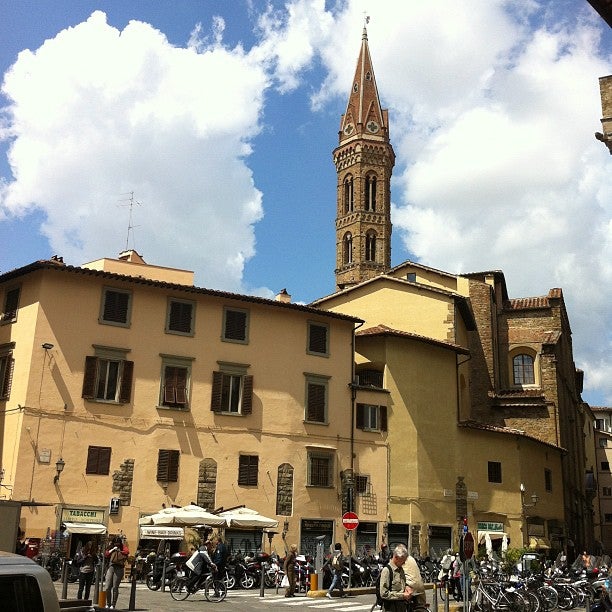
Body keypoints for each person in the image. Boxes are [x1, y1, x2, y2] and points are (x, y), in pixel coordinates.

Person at [378, 543, 415, 611]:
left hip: (402, 607)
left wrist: (407, 588)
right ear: (396, 558)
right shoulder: (387, 571)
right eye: (403, 561)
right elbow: (384, 594)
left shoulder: (400, 569)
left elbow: (403, 583)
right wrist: (402, 596)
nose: (404, 563)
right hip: (391, 608)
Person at [104, 536, 129, 609]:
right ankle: (108, 603)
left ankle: (113, 604)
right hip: (111, 567)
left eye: (118, 543)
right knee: (107, 587)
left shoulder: (122, 547)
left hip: (119, 568)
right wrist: (112, 549)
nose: (116, 544)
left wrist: (120, 551)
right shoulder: (110, 547)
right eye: (115, 543)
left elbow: (127, 552)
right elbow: (106, 554)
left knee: (115, 587)